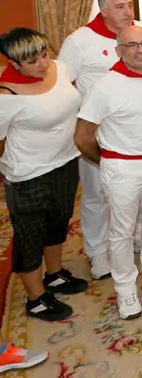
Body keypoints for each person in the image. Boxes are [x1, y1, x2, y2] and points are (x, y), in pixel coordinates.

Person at [74, 25, 142, 320]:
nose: (140, 50)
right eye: (132, 45)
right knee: (122, 231)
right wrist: (109, 161)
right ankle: (125, 290)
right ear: (118, 51)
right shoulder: (105, 87)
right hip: (121, 166)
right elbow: (83, 136)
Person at [58, 0, 142, 280]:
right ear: (103, 10)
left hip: (140, 130)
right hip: (100, 134)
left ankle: (140, 239)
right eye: (120, 7)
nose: (129, 11)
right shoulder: (80, 41)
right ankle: (98, 252)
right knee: (97, 196)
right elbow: (65, 84)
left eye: (130, 4)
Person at [0, 29, 87, 321]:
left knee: (58, 222)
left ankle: (55, 275)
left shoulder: (60, 69)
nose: (42, 63)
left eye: (44, 55)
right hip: (28, 174)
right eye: (32, 60)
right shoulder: (6, 94)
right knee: (30, 237)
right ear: (14, 64)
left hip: (65, 162)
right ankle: (36, 299)